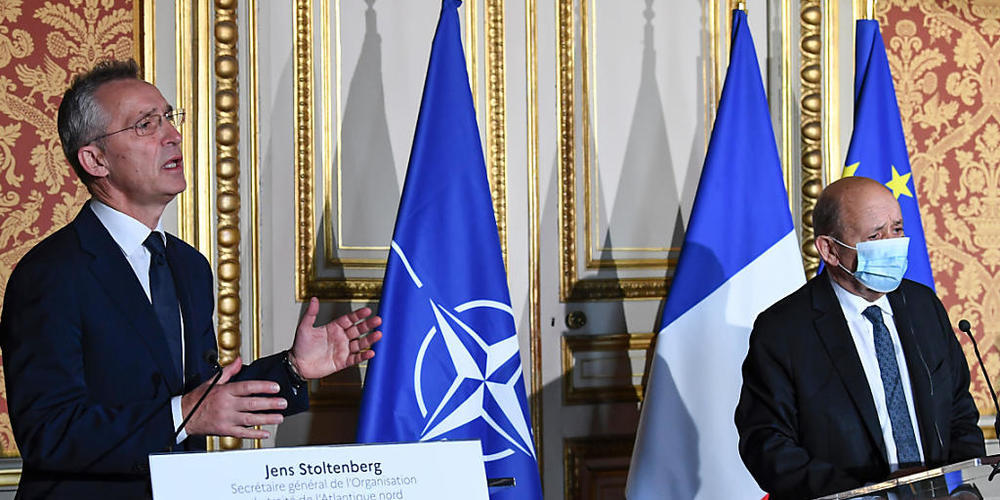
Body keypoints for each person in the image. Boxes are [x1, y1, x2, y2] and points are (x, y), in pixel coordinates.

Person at [0, 59, 383, 498]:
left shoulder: (188, 265)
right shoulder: (49, 274)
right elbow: (49, 432)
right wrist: (183, 415)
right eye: (146, 125)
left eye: (169, 117)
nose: (173, 135)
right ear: (95, 159)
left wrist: (294, 368)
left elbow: (200, 395)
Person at [734, 176, 985, 499]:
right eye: (875, 236)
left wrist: (965, 486)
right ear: (829, 250)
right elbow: (767, 444)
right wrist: (863, 493)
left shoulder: (924, 306)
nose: (891, 244)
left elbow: (959, 410)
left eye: (897, 229)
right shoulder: (783, 329)